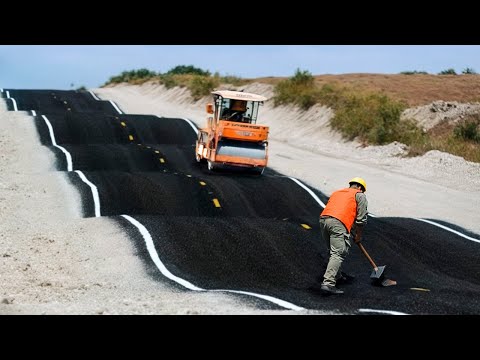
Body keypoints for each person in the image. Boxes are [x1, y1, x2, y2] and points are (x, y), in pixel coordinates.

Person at [318, 177, 368, 295]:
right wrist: (358, 236)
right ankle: (328, 283)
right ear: (360, 187)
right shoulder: (360, 195)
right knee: (338, 253)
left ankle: (338, 275)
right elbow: (361, 220)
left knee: (332, 250)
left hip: (323, 220)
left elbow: (338, 209)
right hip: (338, 222)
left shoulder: (338, 192)